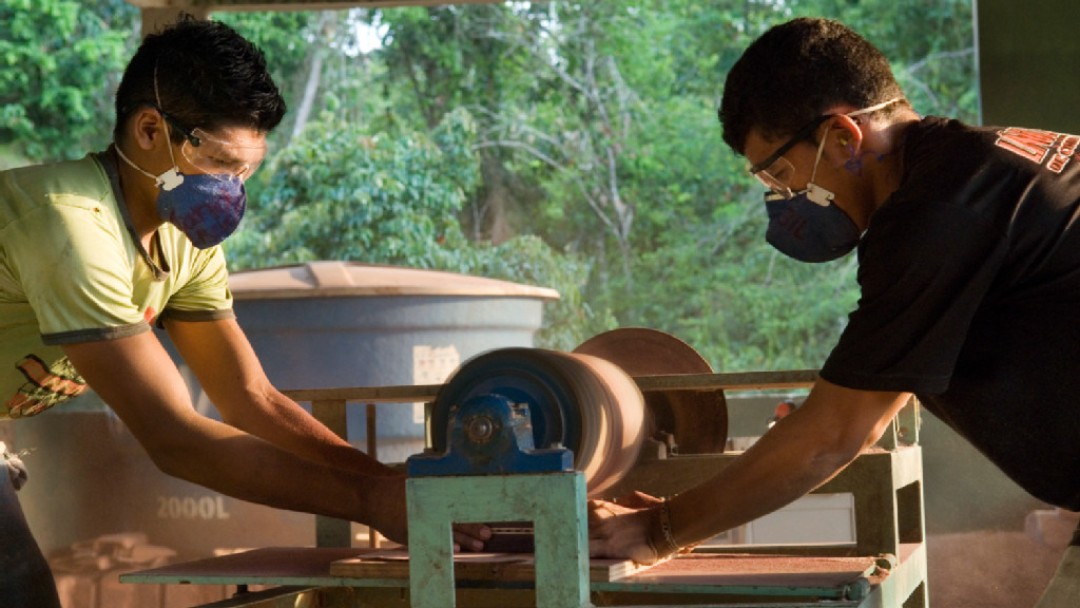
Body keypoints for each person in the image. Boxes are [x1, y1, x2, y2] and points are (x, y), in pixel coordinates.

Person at [587, 17, 1079, 606]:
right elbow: (862, 402)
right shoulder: (975, 173)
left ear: (844, 136)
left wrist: (659, 530)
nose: (780, 198)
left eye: (781, 173)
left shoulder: (938, 214)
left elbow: (834, 435)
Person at [0, 16, 487, 606]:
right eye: (222, 166)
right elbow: (174, 437)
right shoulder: (70, 225)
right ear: (150, 129)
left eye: (246, 172)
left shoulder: (183, 243)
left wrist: (387, 486)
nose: (233, 190)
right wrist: (368, 502)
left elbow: (249, 397)